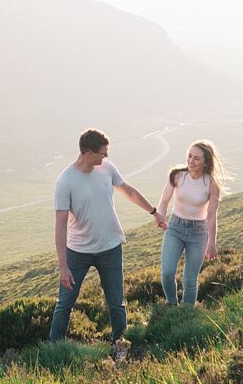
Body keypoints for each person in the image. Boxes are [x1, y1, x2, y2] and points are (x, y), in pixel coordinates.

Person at [49, 128, 167, 360]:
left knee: (116, 302)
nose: (106, 157)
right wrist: (63, 265)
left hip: (110, 248)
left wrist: (154, 212)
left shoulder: (106, 169)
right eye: (102, 153)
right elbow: (60, 225)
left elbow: (128, 191)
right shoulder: (65, 182)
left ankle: (120, 347)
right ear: (89, 153)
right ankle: (54, 349)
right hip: (78, 252)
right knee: (65, 304)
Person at [157, 140, 225, 306]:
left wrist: (212, 244)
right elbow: (164, 200)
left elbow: (211, 215)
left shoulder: (212, 184)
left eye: (196, 158)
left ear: (206, 162)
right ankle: (172, 306)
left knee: (189, 279)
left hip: (198, 232)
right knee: (167, 273)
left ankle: (187, 313)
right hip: (175, 227)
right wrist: (161, 216)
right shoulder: (177, 176)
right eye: (189, 156)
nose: (191, 161)